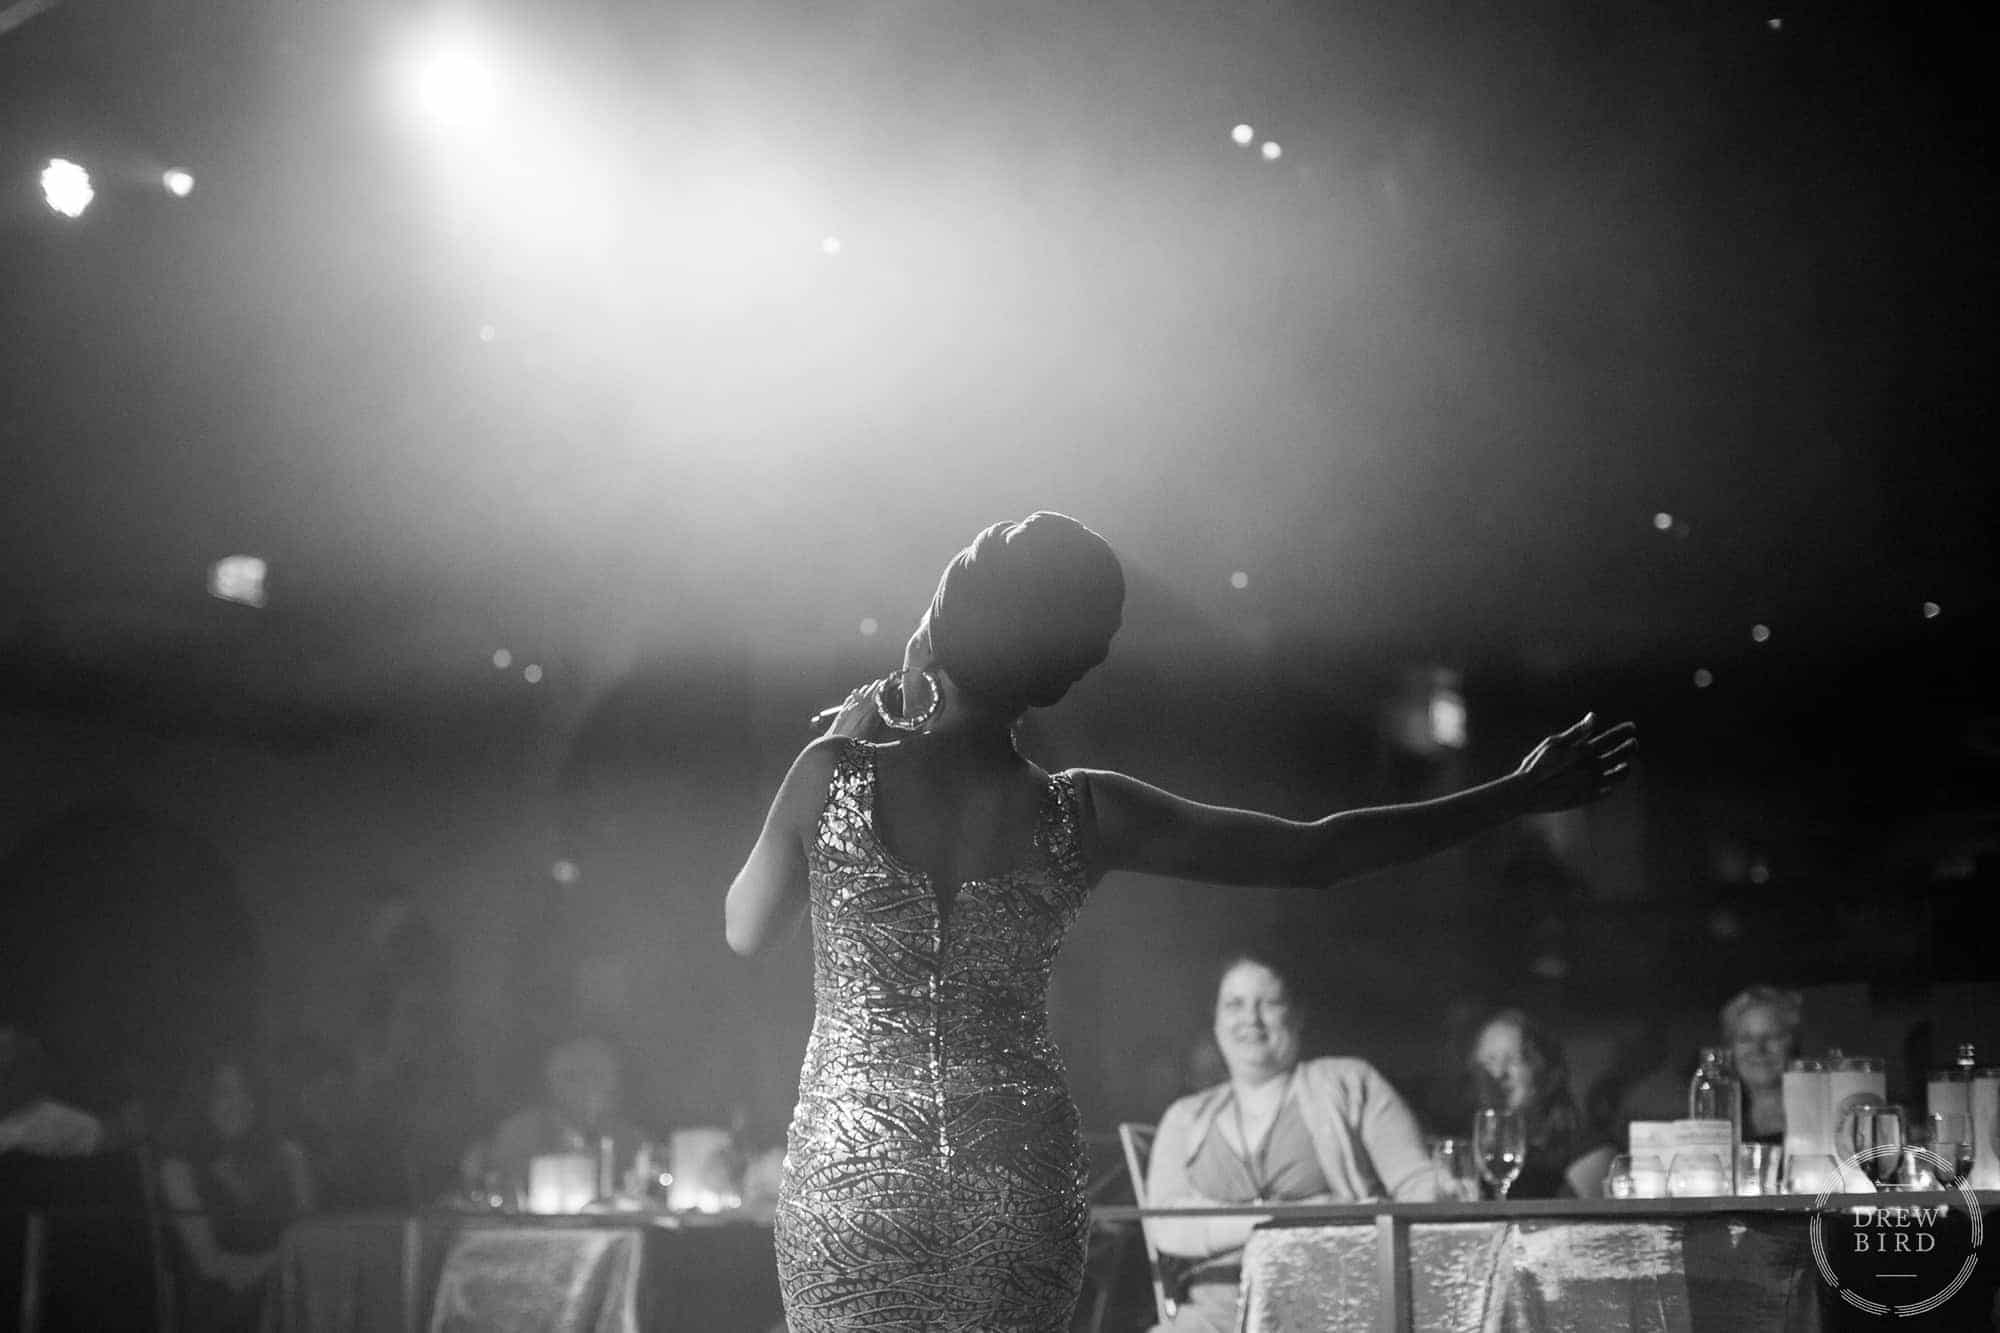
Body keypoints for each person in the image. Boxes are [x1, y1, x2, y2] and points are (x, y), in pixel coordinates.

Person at [724, 511, 1636, 1332]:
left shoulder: (833, 771)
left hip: (854, 1190)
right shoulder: (1082, 812)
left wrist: (851, 735)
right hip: (1014, 1186)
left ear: (939, 620)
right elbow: (1314, 853)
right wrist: (1515, 793)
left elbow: (746, 926)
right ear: (1059, 674)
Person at [1144, 950, 1435, 1332]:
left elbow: (1418, 1186)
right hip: (1211, 1322)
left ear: (1297, 1014)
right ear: (1215, 1019)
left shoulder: (1350, 1082)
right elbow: (1166, 1227)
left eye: (1270, 1003)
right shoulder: (1185, 1117)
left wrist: (1444, 1189)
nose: (1251, 1018)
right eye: (1235, 1004)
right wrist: (1288, 1217)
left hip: (1336, 1315)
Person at [156, 1051, 314, 1332]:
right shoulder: (178, 1169)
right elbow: (211, 1266)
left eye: (248, 1092)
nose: (240, 1103)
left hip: (291, 1307)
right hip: (220, 1313)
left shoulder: (290, 1158)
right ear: (202, 1100)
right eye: (225, 1093)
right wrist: (284, 1263)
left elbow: (312, 1240)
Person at [474, 1035, 650, 1204]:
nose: (584, 1086)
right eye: (571, 1077)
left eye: (594, 1075)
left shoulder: (631, 1141)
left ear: (613, 1082)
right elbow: (503, 1189)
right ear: (551, 1081)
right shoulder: (519, 1134)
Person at [1467, 1008, 1616, 1199]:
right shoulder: (1469, 1152)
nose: (1498, 1074)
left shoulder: (1588, 1149)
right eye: (1489, 1061)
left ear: (1544, 1070)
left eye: (1513, 1060)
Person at [1720, 985, 1804, 1145]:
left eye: (1772, 1036)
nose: (1758, 1049)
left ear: (1793, 1044)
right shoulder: (1718, 1122)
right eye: (1745, 1039)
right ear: (1731, 1048)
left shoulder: (1821, 1115)